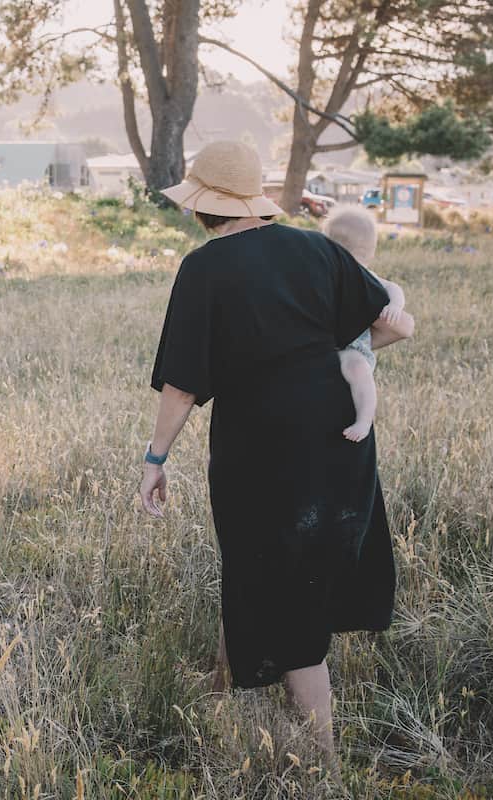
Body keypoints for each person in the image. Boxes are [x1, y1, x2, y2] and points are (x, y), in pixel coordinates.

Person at [138, 141, 414, 760]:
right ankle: (222, 685)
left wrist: (155, 461)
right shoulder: (316, 249)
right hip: (340, 439)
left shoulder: (205, 268)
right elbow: (394, 323)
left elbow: (182, 387)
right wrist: (340, 357)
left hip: (261, 446)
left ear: (205, 206)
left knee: (282, 585)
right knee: (272, 567)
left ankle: (321, 758)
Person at [322, 207, 413, 442]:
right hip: (323, 346)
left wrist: (395, 305)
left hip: (353, 348)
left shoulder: (364, 275)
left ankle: (364, 420)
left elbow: (393, 288)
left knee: (358, 370)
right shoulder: (323, 272)